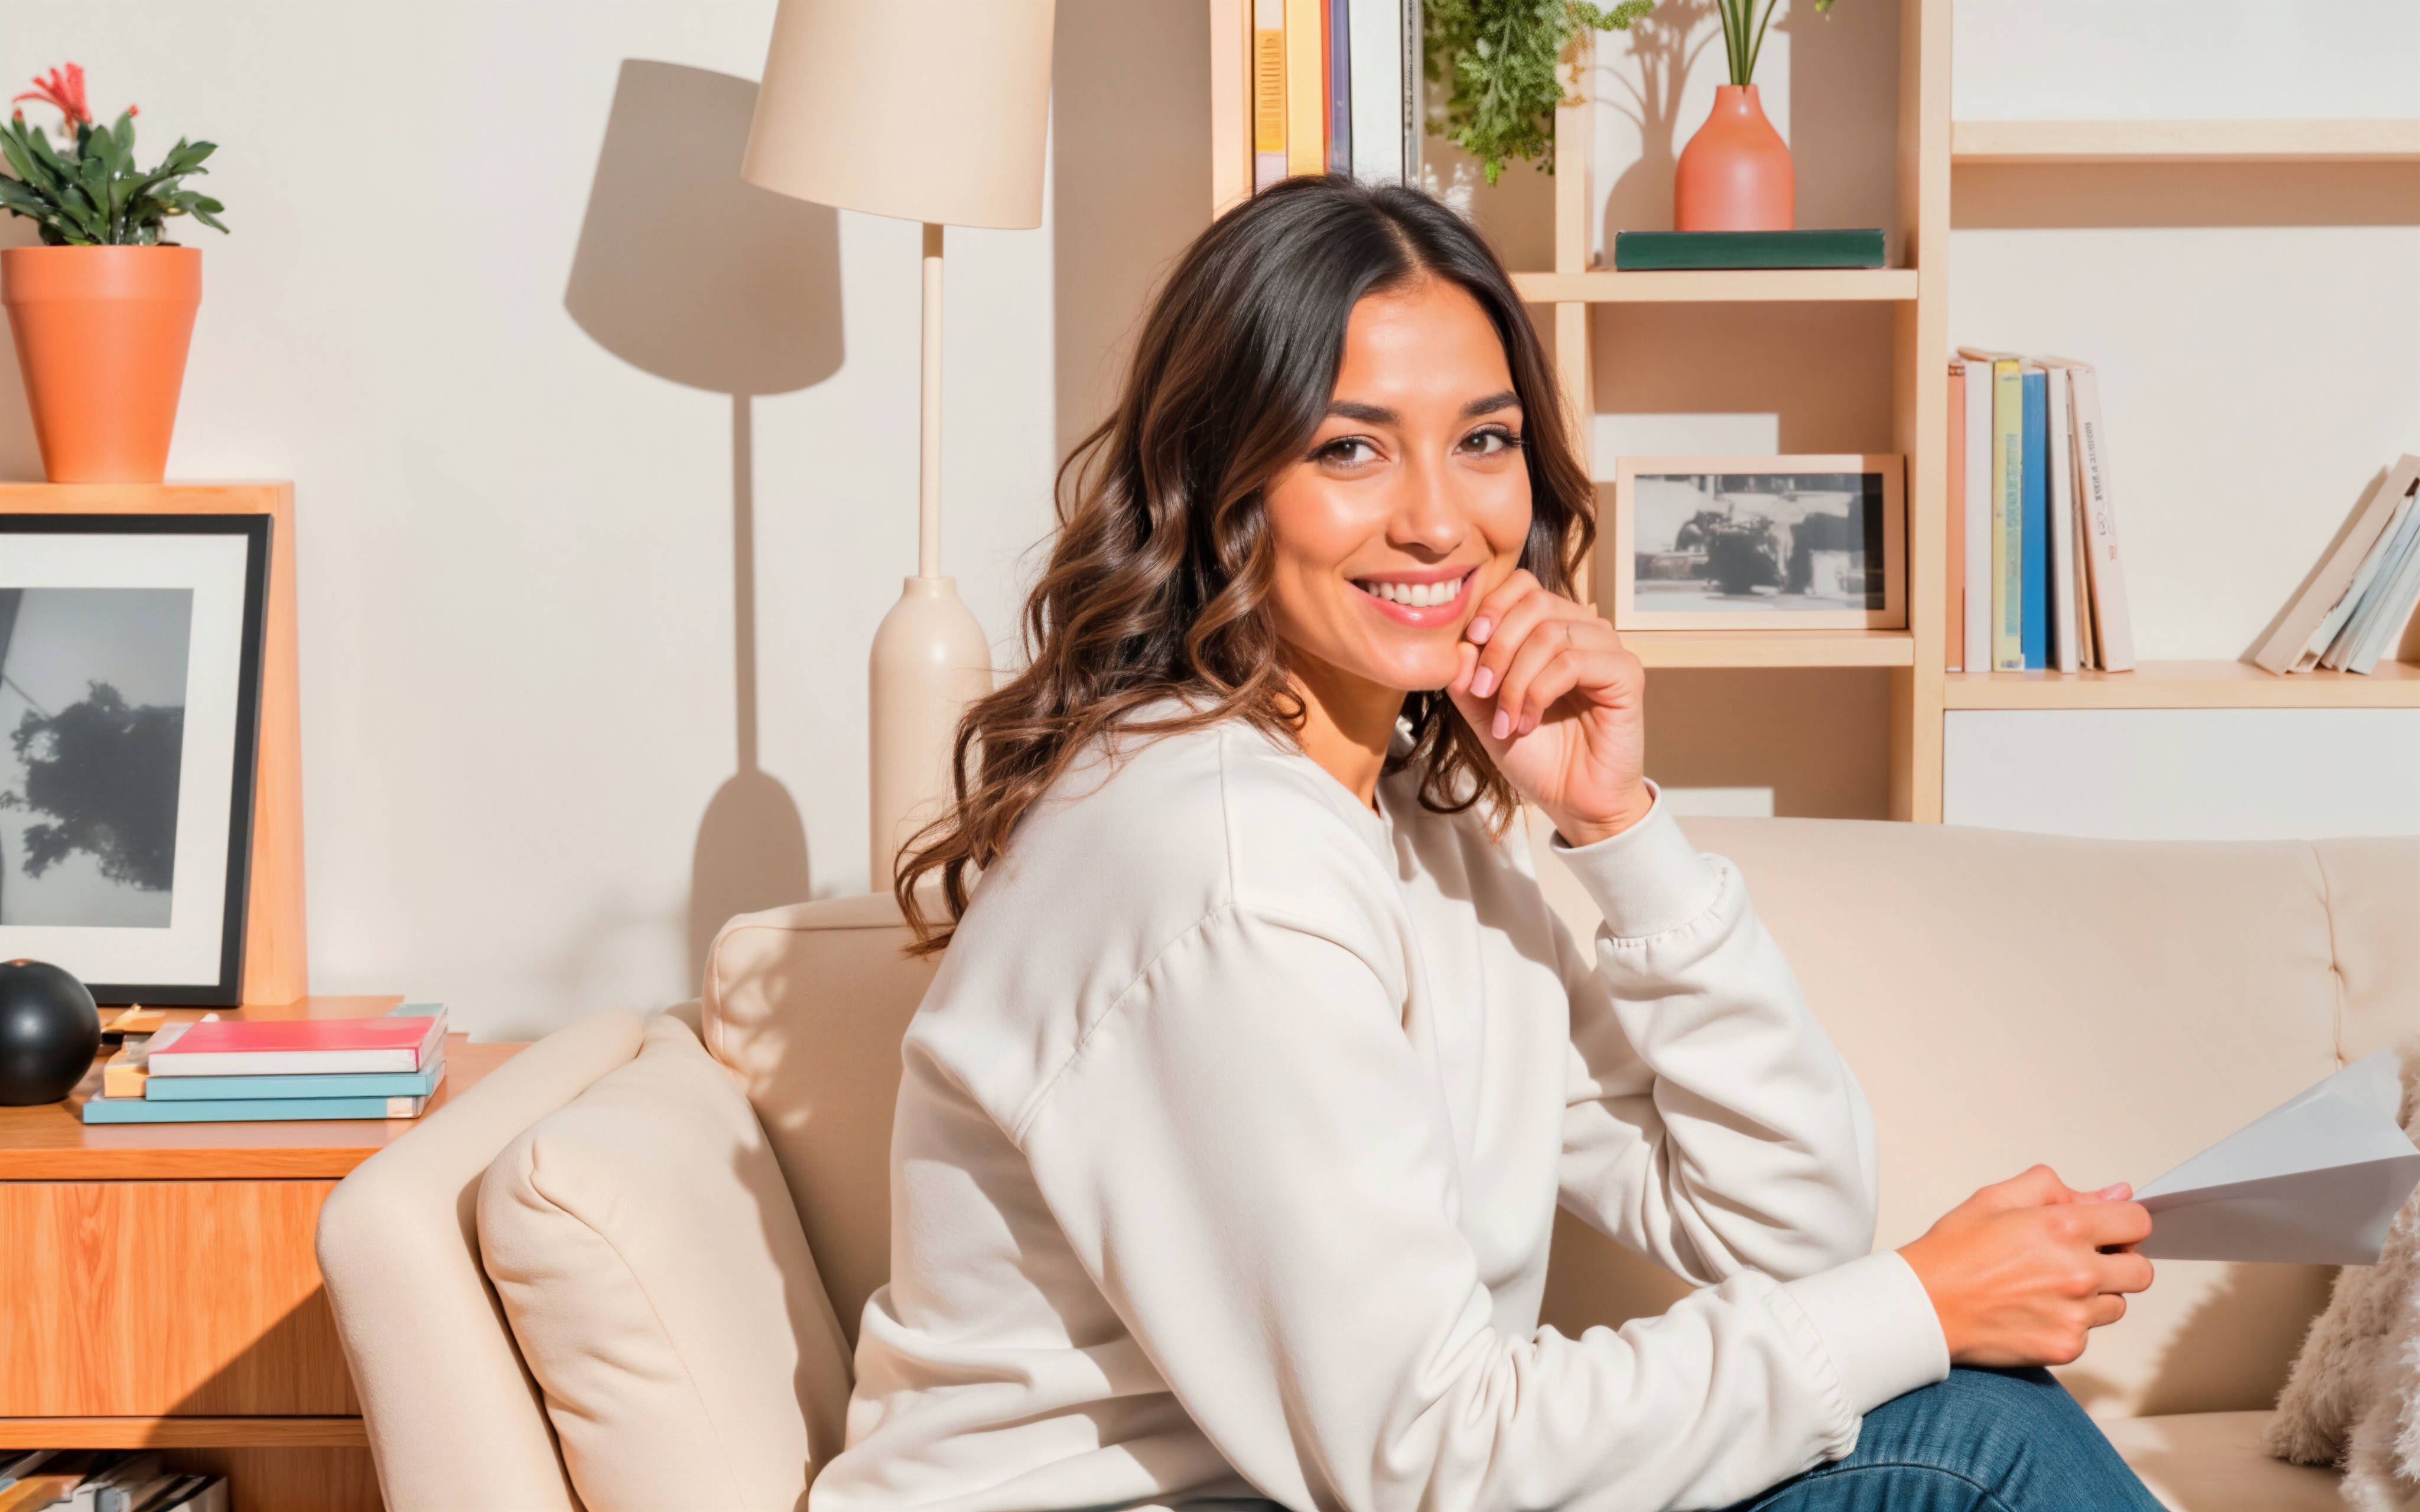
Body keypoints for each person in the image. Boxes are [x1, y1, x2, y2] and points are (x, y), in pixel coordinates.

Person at [806, 177, 2164, 1512]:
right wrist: (1921, 1299)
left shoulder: (1403, 821)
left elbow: (1785, 1227)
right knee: (1974, 1436)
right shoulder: (1223, 862)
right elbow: (1431, 1458)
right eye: (1348, 449)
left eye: (1482, 439)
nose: (1436, 520)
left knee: (1972, 1413)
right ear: (1219, 482)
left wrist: (1615, 830)